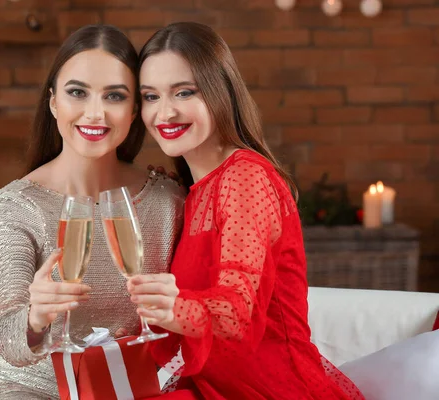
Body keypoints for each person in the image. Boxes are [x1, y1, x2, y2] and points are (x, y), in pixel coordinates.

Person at [128, 22, 365, 400]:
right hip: (212, 388)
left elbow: (236, 315)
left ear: (220, 91)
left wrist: (172, 308)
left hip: (271, 391)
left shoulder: (245, 177)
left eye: (184, 92)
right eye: (150, 97)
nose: (165, 113)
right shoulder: (193, 189)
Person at [0, 24, 185, 400]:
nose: (95, 113)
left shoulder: (168, 200)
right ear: (54, 102)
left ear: (135, 110)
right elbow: (11, 343)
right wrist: (35, 317)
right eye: (77, 92)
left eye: (114, 96)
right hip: (29, 385)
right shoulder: (17, 203)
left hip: (129, 384)